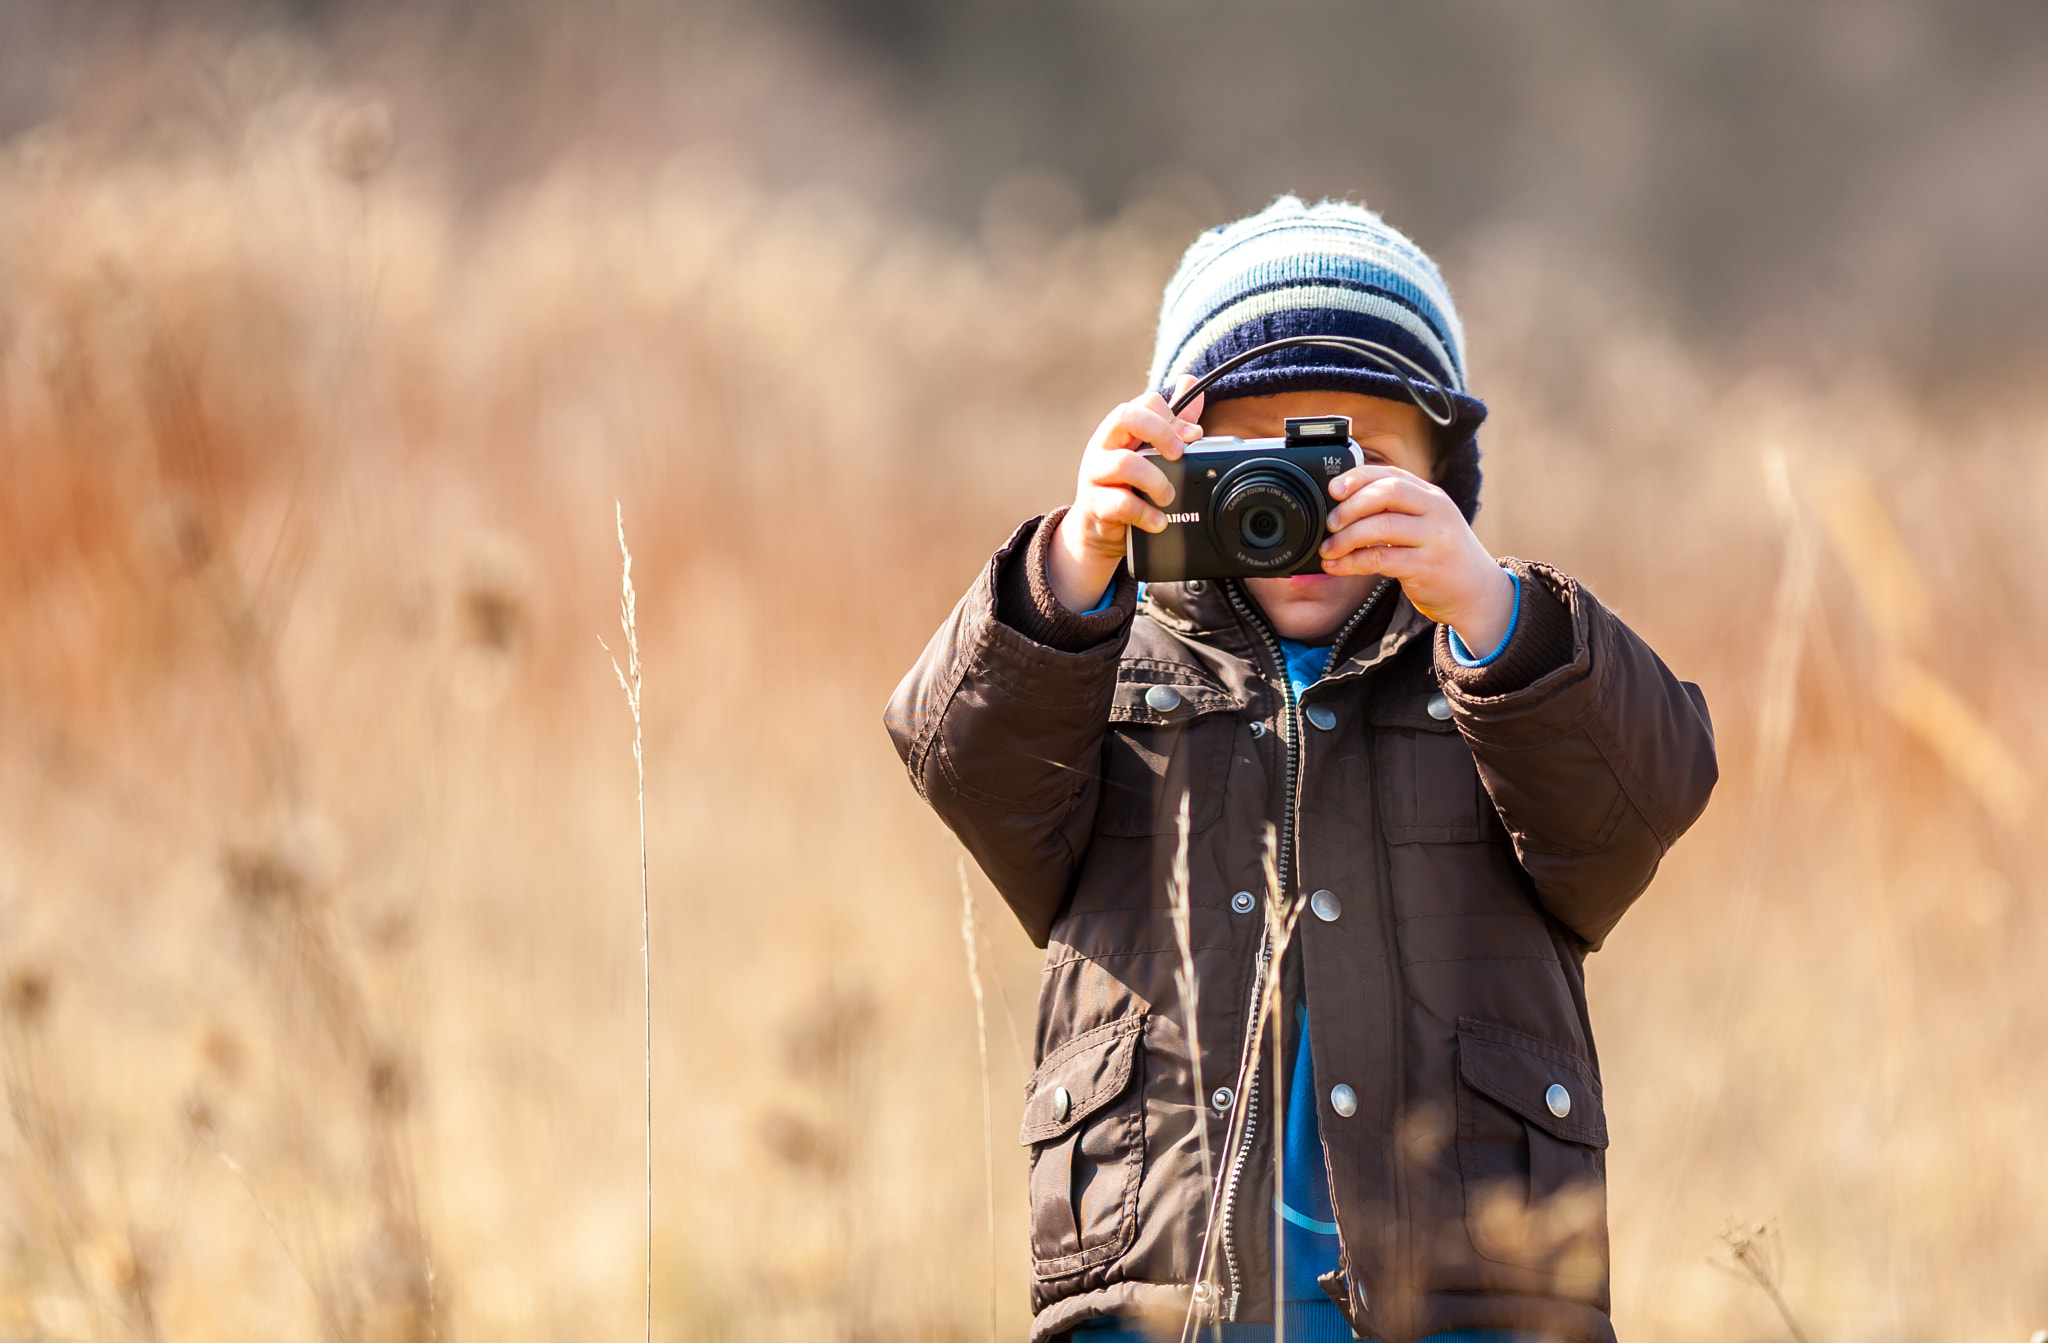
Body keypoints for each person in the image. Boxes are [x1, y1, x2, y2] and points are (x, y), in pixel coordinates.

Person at [885, 197, 1717, 1343]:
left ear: (1447, 483)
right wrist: (1071, 564)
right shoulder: (1099, 663)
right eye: (1251, 461)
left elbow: (1634, 807)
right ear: (1163, 466)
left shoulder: (1492, 664)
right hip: (1165, 1275)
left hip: (1464, 1290)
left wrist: (1491, 606)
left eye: (1356, 463)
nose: (1300, 502)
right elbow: (966, 767)